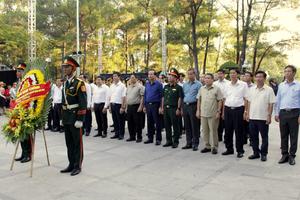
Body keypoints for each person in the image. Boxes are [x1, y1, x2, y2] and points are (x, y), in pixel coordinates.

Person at [60, 56, 87, 176]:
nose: (65, 69)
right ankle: (71, 164)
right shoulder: (65, 83)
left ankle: (77, 166)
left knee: (77, 143)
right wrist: (62, 118)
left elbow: (83, 103)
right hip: (67, 117)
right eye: (64, 67)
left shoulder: (79, 83)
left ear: (73, 69)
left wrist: (80, 119)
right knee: (69, 143)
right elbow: (63, 102)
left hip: (75, 117)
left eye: (67, 67)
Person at [245, 71, 275, 162]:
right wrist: (247, 113)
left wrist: (269, 116)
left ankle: (264, 154)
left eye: (260, 77)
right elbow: (249, 102)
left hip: (263, 117)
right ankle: (256, 153)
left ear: (264, 78)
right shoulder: (251, 89)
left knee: (264, 137)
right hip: (252, 117)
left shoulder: (269, 89)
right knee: (253, 137)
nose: (258, 78)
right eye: (257, 77)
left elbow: (271, 104)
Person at [275, 65, 300, 165]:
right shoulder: (281, 85)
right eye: (285, 71)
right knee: (283, 135)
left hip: (295, 113)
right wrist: (276, 113)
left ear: (294, 73)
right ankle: (284, 154)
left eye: (289, 71)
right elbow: (278, 100)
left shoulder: (298, 85)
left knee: (294, 136)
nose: (287, 73)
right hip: (283, 113)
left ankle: (292, 156)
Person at [222, 68, 248, 158]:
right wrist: (223, 112)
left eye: (234, 73)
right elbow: (224, 98)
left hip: (239, 110)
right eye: (230, 73)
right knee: (228, 131)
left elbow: (246, 99)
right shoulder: (227, 85)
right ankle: (229, 149)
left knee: (239, 131)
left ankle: (240, 150)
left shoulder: (243, 85)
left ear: (237, 74)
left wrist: (245, 111)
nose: (232, 75)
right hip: (228, 109)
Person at [196, 73, 223, 154]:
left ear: (212, 79)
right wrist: (198, 110)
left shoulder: (217, 89)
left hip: (213, 114)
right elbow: (199, 100)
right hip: (203, 114)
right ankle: (207, 146)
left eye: (208, 78)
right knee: (205, 131)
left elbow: (220, 100)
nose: (206, 80)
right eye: (205, 78)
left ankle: (214, 147)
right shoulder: (201, 89)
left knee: (213, 131)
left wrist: (218, 111)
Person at [14, 63, 32, 163]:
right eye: (17, 71)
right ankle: (23, 153)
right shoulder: (19, 82)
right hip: (19, 110)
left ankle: (28, 154)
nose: (17, 73)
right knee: (20, 133)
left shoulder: (28, 83)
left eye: (20, 71)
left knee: (27, 134)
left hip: (26, 110)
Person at [161, 68, 183, 148]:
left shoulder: (178, 87)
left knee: (175, 125)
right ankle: (169, 141)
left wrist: (178, 108)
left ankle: (176, 141)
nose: (170, 77)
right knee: (167, 125)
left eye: (172, 76)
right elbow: (163, 97)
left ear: (176, 78)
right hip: (166, 108)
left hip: (174, 109)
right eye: (169, 76)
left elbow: (180, 98)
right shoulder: (166, 87)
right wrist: (162, 107)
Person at [182, 68, 201, 151]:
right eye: (188, 74)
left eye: (191, 74)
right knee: (187, 125)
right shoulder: (185, 84)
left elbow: (199, 98)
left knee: (194, 126)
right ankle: (188, 142)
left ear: (194, 74)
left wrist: (198, 109)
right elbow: (184, 96)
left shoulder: (198, 84)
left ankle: (195, 143)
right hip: (185, 106)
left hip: (194, 106)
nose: (190, 75)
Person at [143, 69, 163, 145]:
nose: (150, 75)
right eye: (149, 74)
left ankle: (158, 139)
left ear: (155, 75)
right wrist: (144, 106)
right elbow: (145, 95)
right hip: (148, 105)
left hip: (156, 105)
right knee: (149, 122)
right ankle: (150, 138)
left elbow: (161, 97)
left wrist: (161, 107)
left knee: (157, 123)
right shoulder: (147, 84)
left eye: (152, 74)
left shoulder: (159, 84)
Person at [126, 74, 145, 142]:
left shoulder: (140, 87)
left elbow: (142, 97)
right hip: (129, 107)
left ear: (136, 79)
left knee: (138, 123)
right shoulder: (129, 86)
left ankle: (139, 137)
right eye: (130, 78)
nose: (131, 79)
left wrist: (141, 106)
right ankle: (132, 136)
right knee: (130, 123)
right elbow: (127, 97)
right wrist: (126, 107)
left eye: (133, 77)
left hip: (136, 106)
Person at [109, 72, 127, 140]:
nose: (114, 77)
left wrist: (123, 107)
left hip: (119, 105)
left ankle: (121, 134)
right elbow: (110, 96)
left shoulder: (122, 85)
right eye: (113, 76)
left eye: (115, 76)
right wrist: (110, 106)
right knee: (115, 120)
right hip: (112, 104)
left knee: (121, 121)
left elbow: (124, 97)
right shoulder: (111, 85)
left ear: (119, 77)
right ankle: (116, 133)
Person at [213, 69, 229, 142]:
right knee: (218, 120)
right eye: (218, 74)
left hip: (226, 103)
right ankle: (219, 136)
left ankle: (226, 137)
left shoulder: (228, 83)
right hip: (217, 103)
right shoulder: (215, 83)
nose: (219, 75)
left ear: (224, 74)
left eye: (221, 74)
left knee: (226, 121)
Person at [242, 71, 255, 145]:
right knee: (243, 124)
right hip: (242, 106)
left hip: (251, 107)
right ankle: (244, 139)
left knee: (251, 125)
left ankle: (251, 140)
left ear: (251, 77)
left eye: (247, 76)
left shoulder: (254, 87)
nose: (245, 77)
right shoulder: (241, 85)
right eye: (244, 76)